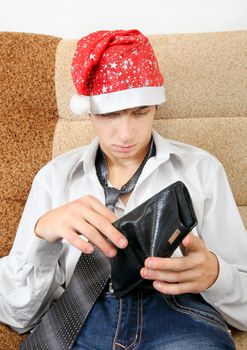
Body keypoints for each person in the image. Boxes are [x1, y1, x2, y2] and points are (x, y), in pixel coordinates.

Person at [0, 29, 246, 350]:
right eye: (109, 114)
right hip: (81, 313)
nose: (126, 134)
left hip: (178, 311)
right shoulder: (54, 177)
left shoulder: (202, 169)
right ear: (88, 113)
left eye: (140, 112)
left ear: (156, 107)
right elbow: (18, 316)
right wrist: (41, 235)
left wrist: (216, 275)